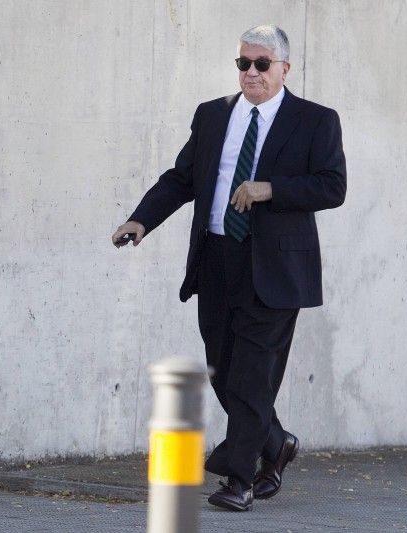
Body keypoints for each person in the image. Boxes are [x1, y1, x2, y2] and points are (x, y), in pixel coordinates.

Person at [111, 24, 346, 512]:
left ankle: (238, 480)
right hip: (217, 260)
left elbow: (332, 186)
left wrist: (271, 189)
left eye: (262, 64)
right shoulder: (213, 114)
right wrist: (141, 219)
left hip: (275, 268)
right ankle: (276, 443)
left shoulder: (315, 120)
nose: (251, 73)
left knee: (253, 376)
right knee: (224, 371)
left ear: (285, 68)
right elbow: (182, 178)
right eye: (244, 64)